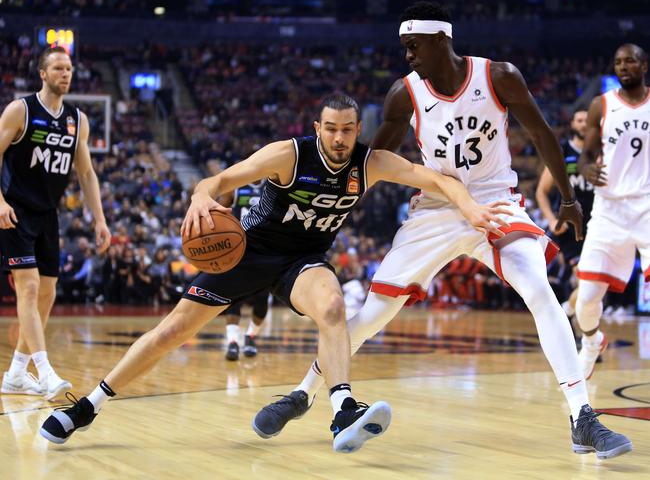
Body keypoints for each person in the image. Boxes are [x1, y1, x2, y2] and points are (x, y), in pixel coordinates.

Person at [253, 3, 633, 460]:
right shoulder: (403, 93)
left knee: (539, 290)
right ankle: (304, 393)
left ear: (440, 41)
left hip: (495, 202)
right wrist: (338, 206)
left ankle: (581, 416)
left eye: (414, 46)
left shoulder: (498, 76)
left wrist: (569, 200)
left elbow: (542, 134)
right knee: (373, 315)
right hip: (434, 207)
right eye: (404, 47)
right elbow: (375, 162)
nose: (407, 55)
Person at [40, 93, 509, 453]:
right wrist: (202, 196)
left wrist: (470, 209)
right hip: (249, 252)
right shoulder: (288, 154)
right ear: (317, 128)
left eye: (348, 129)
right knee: (171, 332)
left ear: (357, 129)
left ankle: (343, 408)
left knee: (332, 304)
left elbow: (435, 179)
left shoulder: (370, 163)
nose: (340, 138)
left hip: (301, 261)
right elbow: (218, 180)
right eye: (331, 129)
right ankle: (87, 407)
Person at [0, 46, 111, 401]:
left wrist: (100, 220)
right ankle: (45, 372)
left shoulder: (77, 119)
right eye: (59, 68)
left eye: (70, 69)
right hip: (14, 211)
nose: (66, 74)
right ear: (43, 74)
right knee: (29, 289)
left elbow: (86, 172)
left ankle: (17, 373)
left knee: (47, 293)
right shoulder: (21, 110)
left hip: (48, 215)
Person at [575, 43, 650, 380]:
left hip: (647, 206)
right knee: (586, 300)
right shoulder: (600, 105)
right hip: (609, 211)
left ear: (644, 65)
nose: (623, 66)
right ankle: (592, 342)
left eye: (630, 60)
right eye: (618, 62)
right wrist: (587, 168)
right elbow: (585, 156)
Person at [535, 109, 593, 325]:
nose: (584, 124)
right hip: (571, 229)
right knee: (587, 281)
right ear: (572, 124)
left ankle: (565, 313)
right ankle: (585, 336)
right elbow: (541, 191)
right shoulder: (562, 152)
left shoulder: (601, 152)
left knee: (593, 286)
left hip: (596, 225)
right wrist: (551, 219)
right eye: (579, 120)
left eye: (588, 120)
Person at [219, 180, 269, 361]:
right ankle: (232, 342)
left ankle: (250, 336)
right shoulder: (237, 186)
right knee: (233, 298)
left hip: (266, 248)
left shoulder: (273, 184)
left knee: (262, 299)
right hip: (238, 248)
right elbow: (218, 212)